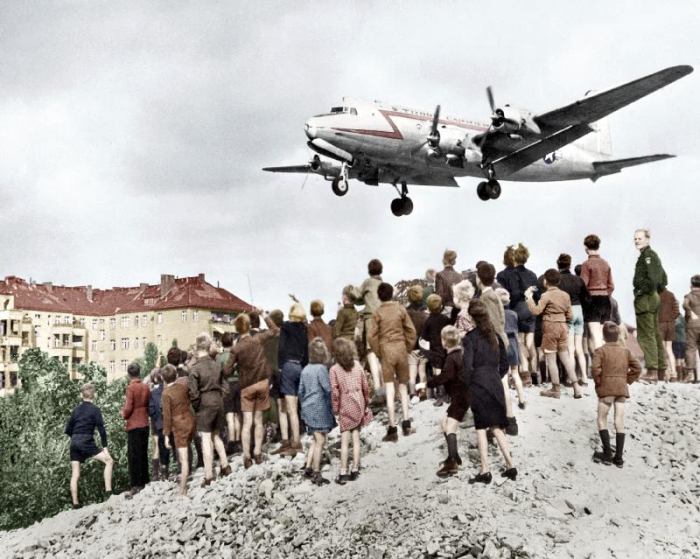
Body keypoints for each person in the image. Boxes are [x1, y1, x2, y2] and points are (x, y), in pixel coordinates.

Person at [462, 300, 516, 484]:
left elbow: (467, 367)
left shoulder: (469, 338)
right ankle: (510, 466)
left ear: (471, 317)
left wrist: (468, 384)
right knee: (497, 427)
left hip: (479, 383)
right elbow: (505, 365)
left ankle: (485, 470)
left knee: (480, 428)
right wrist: (493, 375)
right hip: (495, 383)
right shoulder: (496, 337)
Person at [224, 312, 279, 468]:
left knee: (247, 423)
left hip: (246, 386)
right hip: (262, 383)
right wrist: (263, 314)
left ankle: (247, 457)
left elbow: (226, 372)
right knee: (259, 420)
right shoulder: (258, 339)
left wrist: (236, 366)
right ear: (249, 326)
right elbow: (275, 330)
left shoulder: (236, 349)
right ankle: (258, 453)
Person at [368, 282, 417, 441]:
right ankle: (407, 423)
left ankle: (392, 427)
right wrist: (407, 347)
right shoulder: (400, 308)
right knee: (403, 385)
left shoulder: (377, 313)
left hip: (386, 350)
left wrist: (378, 352)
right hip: (401, 348)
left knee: (389, 387)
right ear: (392, 294)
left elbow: (371, 336)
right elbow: (411, 330)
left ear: (379, 296)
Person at [525, 269, 584, 399]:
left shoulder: (546, 295)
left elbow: (536, 311)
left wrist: (529, 297)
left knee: (551, 359)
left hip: (550, 327)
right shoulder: (565, 295)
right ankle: (576, 387)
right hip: (563, 327)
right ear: (558, 281)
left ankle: (555, 389)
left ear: (545, 281)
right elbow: (570, 315)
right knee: (565, 357)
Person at [591, 322, 642, 468]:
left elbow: (595, 369)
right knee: (619, 420)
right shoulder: (625, 351)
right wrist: (627, 380)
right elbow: (637, 368)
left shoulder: (600, 351)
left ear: (604, 336)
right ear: (618, 335)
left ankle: (607, 453)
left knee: (602, 419)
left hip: (606, 389)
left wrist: (599, 382)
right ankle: (619, 458)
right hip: (621, 389)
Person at [476, 262, 519, 436]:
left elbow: (491, 324)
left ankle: (498, 423)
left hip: (493, 343)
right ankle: (510, 421)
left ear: (478, 278)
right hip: (501, 341)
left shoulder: (485, 298)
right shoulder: (494, 295)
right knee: (502, 383)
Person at [189, 332, 231, 486]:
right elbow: (226, 386)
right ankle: (225, 466)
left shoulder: (195, 368)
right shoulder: (216, 364)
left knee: (206, 439)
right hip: (218, 401)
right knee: (216, 435)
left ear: (196, 347)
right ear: (208, 347)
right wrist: (220, 397)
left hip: (204, 403)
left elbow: (193, 393)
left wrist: (197, 406)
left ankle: (208, 476)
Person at [330, 337, 372, 485]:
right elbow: (365, 386)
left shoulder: (334, 369)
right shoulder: (358, 366)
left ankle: (343, 472)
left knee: (344, 441)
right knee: (356, 438)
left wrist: (335, 410)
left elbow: (335, 393)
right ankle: (355, 468)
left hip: (345, 404)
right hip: (358, 401)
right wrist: (366, 402)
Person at [428, 326, 468, 477]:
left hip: (460, 396)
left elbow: (445, 377)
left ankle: (452, 462)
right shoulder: (461, 354)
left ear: (444, 342)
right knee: (444, 423)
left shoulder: (451, 358)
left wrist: (428, 383)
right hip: (463, 394)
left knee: (450, 426)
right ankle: (454, 455)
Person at [65, 383, 113, 508]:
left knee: (75, 474)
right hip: (86, 441)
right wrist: (106, 449)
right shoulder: (95, 410)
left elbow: (68, 429)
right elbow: (102, 430)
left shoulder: (76, 410)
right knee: (109, 461)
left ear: (81, 395)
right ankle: (109, 493)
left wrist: (76, 440)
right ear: (94, 395)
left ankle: (75, 503)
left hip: (74, 441)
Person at [299, 338, 336, 485]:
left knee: (315, 438)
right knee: (321, 440)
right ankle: (316, 472)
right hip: (319, 407)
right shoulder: (321, 369)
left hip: (307, 408)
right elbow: (327, 389)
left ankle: (308, 467)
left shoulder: (305, 369)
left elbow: (300, 391)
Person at [497, 243, 538, 376]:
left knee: (519, 341)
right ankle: (535, 372)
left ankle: (524, 371)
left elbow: (510, 295)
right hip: (531, 308)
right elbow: (537, 293)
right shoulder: (532, 274)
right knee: (530, 342)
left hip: (517, 308)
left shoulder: (506, 275)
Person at [633, 229, 668, 381]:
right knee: (654, 334)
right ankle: (659, 370)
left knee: (646, 335)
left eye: (640, 238)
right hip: (652, 297)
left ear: (647, 239)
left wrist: (641, 290)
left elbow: (654, 279)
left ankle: (652, 371)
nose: (636, 241)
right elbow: (664, 279)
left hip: (646, 299)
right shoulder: (651, 256)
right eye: (635, 239)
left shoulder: (648, 256)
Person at [278, 302, 309, 457]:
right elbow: (307, 352)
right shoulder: (304, 330)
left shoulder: (285, 327)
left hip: (288, 367)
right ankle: (297, 439)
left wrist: (280, 367)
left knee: (290, 409)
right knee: (298, 407)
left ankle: (296, 443)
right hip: (300, 367)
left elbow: (281, 348)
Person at [161, 364, 196, 495]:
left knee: (183, 458)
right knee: (187, 448)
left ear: (163, 379)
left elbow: (167, 417)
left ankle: (183, 488)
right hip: (190, 420)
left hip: (179, 425)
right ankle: (190, 473)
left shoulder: (166, 394)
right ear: (176, 376)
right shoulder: (183, 387)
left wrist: (165, 436)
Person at [557, 254, 588, 385]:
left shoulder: (558, 281)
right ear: (570, 264)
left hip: (567, 311)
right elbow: (586, 297)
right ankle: (585, 377)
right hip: (579, 310)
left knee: (570, 348)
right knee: (579, 348)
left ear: (558, 264)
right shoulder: (578, 280)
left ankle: (571, 378)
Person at [580, 235, 615, 350]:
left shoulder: (586, 264)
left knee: (595, 337)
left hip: (592, 302)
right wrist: (605, 294)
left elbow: (583, 286)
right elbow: (611, 286)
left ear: (586, 248)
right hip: (605, 301)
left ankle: (601, 366)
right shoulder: (605, 263)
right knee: (602, 337)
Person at [120, 362, 151, 496]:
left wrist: (123, 414)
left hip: (134, 424)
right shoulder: (145, 387)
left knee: (133, 455)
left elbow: (128, 408)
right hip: (145, 422)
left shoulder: (130, 388)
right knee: (143, 453)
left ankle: (135, 484)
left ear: (128, 374)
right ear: (139, 372)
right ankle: (145, 481)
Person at [264, 310, 290, 453]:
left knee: (282, 409)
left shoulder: (270, 340)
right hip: (290, 373)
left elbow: (268, 363)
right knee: (290, 408)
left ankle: (285, 439)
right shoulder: (288, 335)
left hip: (277, 376)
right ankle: (292, 437)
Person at [358, 259, 384, 396]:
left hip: (370, 321)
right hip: (383, 320)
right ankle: (386, 387)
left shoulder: (367, 283)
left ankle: (378, 388)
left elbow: (357, 296)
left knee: (371, 353)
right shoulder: (383, 284)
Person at [496, 288, 526, 406]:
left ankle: (506, 400)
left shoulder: (497, 316)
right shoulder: (514, 314)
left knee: (503, 374)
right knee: (515, 373)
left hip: (502, 344)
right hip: (513, 344)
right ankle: (522, 399)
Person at [420, 294, 452, 399]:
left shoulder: (428, 321)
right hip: (446, 348)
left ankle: (440, 395)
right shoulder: (446, 319)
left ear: (428, 307)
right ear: (441, 306)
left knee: (436, 372)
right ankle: (447, 393)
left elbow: (424, 338)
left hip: (435, 350)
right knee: (446, 370)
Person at [217, 332, 241, 455]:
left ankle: (231, 442)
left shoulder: (219, 357)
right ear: (232, 342)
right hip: (239, 384)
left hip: (227, 386)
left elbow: (218, 374)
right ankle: (238, 440)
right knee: (237, 414)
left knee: (230, 416)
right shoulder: (236, 355)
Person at [405, 284, 428, 402]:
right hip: (423, 346)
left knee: (412, 373)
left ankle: (413, 394)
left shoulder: (406, 314)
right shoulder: (425, 314)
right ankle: (422, 392)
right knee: (422, 371)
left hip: (411, 347)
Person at [148, 368, 170, 481]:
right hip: (168, 420)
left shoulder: (152, 393)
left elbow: (150, 411)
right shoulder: (167, 389)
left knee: (156, 445)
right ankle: (165, 470)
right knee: (167, 444)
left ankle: (155, 474)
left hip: (156, 422)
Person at [658, 288, 680, 381]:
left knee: (662, 350)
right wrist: (672, 318)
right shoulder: (671, 294)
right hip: (671, 324)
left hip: (660, 324)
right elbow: (677, 310)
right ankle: (673, 374)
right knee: (669, 349)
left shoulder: (655, 295)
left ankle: (665, 374)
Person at [683, 275, 700, 383]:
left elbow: (685, 305)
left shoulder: (688, 295)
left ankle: (691, 375)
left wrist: (690, 313)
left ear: (691, 284)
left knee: (691, 348)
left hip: (692, 325)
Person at [435, 250, 461, 315]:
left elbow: (439, 296)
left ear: (444, 260)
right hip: (458, 309)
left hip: (446, 310)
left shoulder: (439, 275)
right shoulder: (460, 276)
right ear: (454, 261)